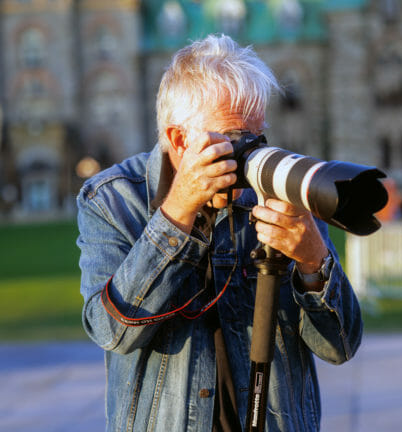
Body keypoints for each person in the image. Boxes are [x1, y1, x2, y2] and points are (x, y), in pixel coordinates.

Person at [76, 35, 362, 432]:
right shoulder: (113, 200)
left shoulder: (278, 193)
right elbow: (113, 331)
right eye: (233, 141)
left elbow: (341, 345)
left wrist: (314, 262)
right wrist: (178, 212)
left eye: (257, 139)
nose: (250, 158)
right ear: (179, 140)